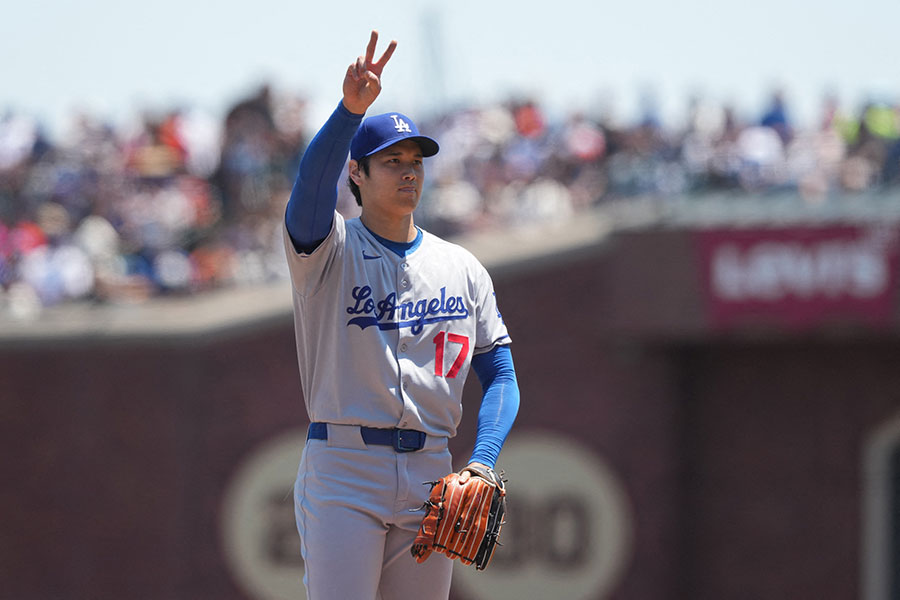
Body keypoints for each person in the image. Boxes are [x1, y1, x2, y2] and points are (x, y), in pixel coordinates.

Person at [283, 31, 520, 599]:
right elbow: (310, 185)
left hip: (431, 472)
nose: (409, 171)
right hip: (343, 469)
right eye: (392, 161)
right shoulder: (327, 250)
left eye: (416, 162)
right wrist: (349, 111)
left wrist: (482, 461)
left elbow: (502, 376)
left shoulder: (461, 266)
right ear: (357, 175)